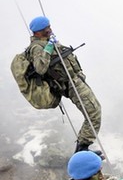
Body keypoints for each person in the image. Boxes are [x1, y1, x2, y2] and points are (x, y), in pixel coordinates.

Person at [28, 16, 102, 154]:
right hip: (70, 84)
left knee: (94, 110)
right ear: (37, 33)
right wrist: (49, 48)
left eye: (49, 26)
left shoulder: (46, 41)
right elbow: (40, 68)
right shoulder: (37, 47)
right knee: (93, 113)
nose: (49, 30)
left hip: (76, 80)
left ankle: (84, 148)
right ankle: (82, 149)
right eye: (46, 29)